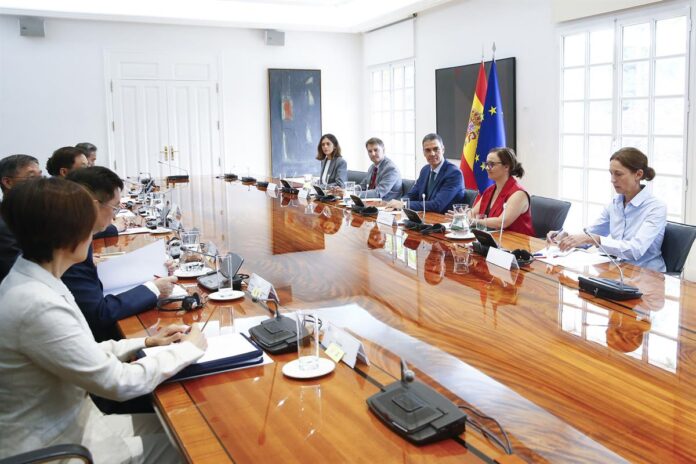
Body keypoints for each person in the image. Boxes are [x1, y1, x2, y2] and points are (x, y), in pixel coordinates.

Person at [0, 177, 207, 462]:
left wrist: (145, 342)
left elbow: (81, 349)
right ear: (70, 234)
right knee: (200, 448)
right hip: (56, 450)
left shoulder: (33, 278)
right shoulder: (36, 304)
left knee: (188, 428)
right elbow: (118, 382)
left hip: (74, 427)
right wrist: (188, 349)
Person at [63, 167, 179, 343]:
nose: (114, 216)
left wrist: (151, 271)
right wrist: (154, 289)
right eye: (115, 208)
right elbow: (99, 314)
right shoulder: (70, 245)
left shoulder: (75, 235)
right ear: (93, 206)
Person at [549, 147, 667, 272]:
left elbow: (635, 250)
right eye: (611, 173)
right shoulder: (615, 203)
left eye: (618, 174)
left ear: (638, 174)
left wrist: (593, 239)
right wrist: (566, 237)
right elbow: (591, 234)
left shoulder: (656, 208)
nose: (612, 180)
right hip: (619, 269)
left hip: (647, 275)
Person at [386, 133, 464, 214]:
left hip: (443, 219)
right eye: (428, 150)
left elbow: (437, 205)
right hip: (424, 216)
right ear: (423, 153)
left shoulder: (454, 173)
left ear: (443, 149)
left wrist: (404, 205)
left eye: (436, 149)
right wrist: (397, 203)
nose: (432, 153)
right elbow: (412, 194)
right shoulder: (425, 170)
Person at [469, 147, 535, 236]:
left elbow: (501, 222)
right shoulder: (489, 190)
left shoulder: (519, 194)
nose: (487, 168)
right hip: (493, 239)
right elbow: (472, 213)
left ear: (506, 166)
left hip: (516, 242)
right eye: (486, 164)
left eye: (491, 164)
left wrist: (474, 221)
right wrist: (462, 215)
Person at [0, 154, 42, 282]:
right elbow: (19, 271)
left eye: (40, 176)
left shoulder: (33, 212)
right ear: (8, 182)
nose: (40, 182)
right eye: (32, 177)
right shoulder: (4, 224)